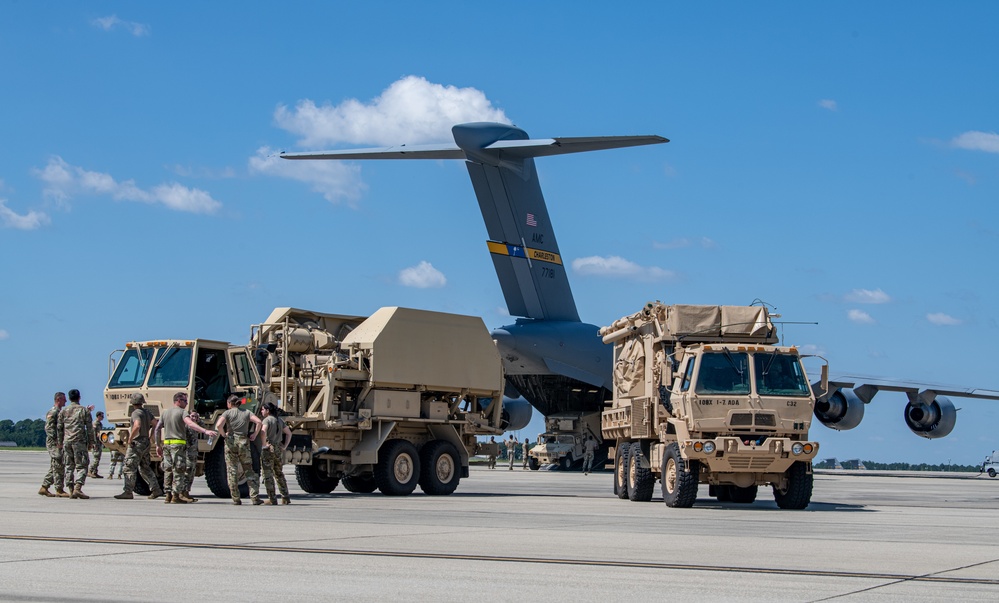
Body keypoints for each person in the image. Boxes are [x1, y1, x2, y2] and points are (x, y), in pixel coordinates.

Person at [154, 392, 217, 504]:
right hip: (178, 445)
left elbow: (157, 428)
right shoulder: (182, 412)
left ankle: (167, 495)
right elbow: (190, 424)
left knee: (168, 470)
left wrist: (157, 444)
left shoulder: (165, 413)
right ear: (178, 400)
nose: (186, 403)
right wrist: (205, 431)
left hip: (167, 444)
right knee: (179, 470)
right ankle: (176, 496)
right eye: (185, 401)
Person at [215, 395, 263, 505]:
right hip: (243, 442)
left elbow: (218, 425)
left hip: (231, 442)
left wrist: (224, 435)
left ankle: (236, 499)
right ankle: (254, 497)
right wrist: (255, 434)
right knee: (249, 470)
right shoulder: (246, 412)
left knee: (232, 470)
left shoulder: (227, 413)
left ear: (229, 403)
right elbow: (259, 422)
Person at [115, 393, 164, 500]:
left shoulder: (135, 413)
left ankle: (128, 491)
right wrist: (150, 435)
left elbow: (137, 425)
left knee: (129, 467)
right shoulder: (147, 413)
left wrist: (130, 438)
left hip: (136, 443)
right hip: (145, 442)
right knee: (145, 467)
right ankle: (156, 489)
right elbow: (156, 424)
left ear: (132, 402)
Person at [60, 389, 93, 499]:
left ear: (69, 399)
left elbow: (59, 428)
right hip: (79, 442)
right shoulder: (84, 411)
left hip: (67, 442)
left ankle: (70, 490)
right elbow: (89, 428)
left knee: (69, 466)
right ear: (79, 397)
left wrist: (60, 442)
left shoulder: (63, 411)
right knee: (82, 465)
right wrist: (91, 442)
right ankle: (77, 488)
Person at [259, 402, 292, 505]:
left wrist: (264, 445)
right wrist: (285, 446)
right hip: (278, 448)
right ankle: (285, 497)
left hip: (269, 448)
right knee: (279, 473)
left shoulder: (267, 420)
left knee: (267, 474)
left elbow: (263, 432)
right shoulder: (279, 420)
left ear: (268, 411)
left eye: (263, 409)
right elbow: (289, 433)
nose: (261, 411)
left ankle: (272, 498)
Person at [39, 392, 68, 498]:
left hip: (58, 442)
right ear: (58, 399)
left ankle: (44, 487)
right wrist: (57, 442)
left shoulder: (60, 411)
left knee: (56, 465)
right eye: (64, 399)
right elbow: (49, 428)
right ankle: (59, 489)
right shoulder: (53, 412)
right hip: (54, 443)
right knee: (59, 464)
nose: (66, 401)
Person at [180, 410, 203, 501]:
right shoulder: (187, 426)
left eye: (195, 416)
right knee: (187, 472)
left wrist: (199, 419)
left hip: (193, 453)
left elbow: (203, 426)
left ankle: (187, 492)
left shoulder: (196, 426)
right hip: (187, 452)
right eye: (192, 416)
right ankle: (182, 492)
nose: (194, 418)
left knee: (192, 473)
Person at [88, 411, 105, 478]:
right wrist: (93, 443)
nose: (103, 417)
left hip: (99, 442)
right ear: (98, 416)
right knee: (96, 458)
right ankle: (90, 471)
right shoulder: (95, 423)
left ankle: (95, 472)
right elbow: (93, 434)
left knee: (98, 458)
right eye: (102, 416)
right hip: (96, 443)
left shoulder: (100, 424)